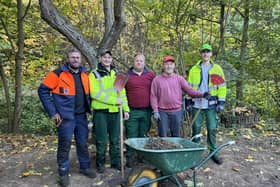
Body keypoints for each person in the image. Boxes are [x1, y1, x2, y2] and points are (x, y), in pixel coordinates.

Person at [38, 48, 96, 187]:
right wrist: (53, 112)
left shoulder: (84, 75)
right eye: (72, 57)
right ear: (68, 59)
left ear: (80, 59)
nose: (75, 59)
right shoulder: (57, 74)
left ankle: (85, 167)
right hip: (65, 118)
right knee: (64, 145)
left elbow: (87, 95)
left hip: (81, 116)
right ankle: (63, 172)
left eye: (77, 57)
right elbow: (42, 90)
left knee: (82, 143)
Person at [89, 50, 129, 173]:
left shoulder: (117, 73)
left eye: (109, 57)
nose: (107, 59)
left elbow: (122, 93)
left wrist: (126, 109)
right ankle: (100, 163)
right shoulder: (94, 74)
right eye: (104, 57)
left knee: (115, 139)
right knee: (101, 139)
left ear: (112, 59)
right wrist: (113, 101)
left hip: (115, 111)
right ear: (100, 59)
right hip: (101, 111)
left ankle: (115, 162)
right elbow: (95, 93)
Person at [186, 43, 226, 165]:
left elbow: (222, 87)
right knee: (196, 128)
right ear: (201, 53)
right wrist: (188, 101)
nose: (205, 53)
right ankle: (195, 153)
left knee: (212, 128)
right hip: (197, 104)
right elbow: (189, 87)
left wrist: (221, 102)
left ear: (211, 54)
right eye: (203, 51)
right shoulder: (194, 69)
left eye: (208, 51)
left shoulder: (217, 69)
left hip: (211, 105)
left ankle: (213, 152)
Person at [150, 55, 210, 137]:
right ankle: (164, 150)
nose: (169, 66)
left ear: (174, 66)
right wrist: (155, 111)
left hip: (177, 111)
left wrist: (202, 94)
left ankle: (176, 150)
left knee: (176, 136)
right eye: (166, 64)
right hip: (162, 112)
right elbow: (153, 96)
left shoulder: (179, 79)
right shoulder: (157, 80)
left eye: (171, 64)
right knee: (163, 136)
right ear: (163, 66)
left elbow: (190, 91)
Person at [124, 54, 155, 167]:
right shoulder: (126, 75)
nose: (139, 62)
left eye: (141, 61)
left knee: (143, 135)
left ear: (144, 62)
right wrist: (124, 109)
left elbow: (156, 90)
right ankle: (130, 158)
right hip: (132, 111)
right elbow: (121, 92)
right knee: (131, 135)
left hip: (146, 110)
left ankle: (142, 157)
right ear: (133, 62)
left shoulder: (150, 75)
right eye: (137, 60)